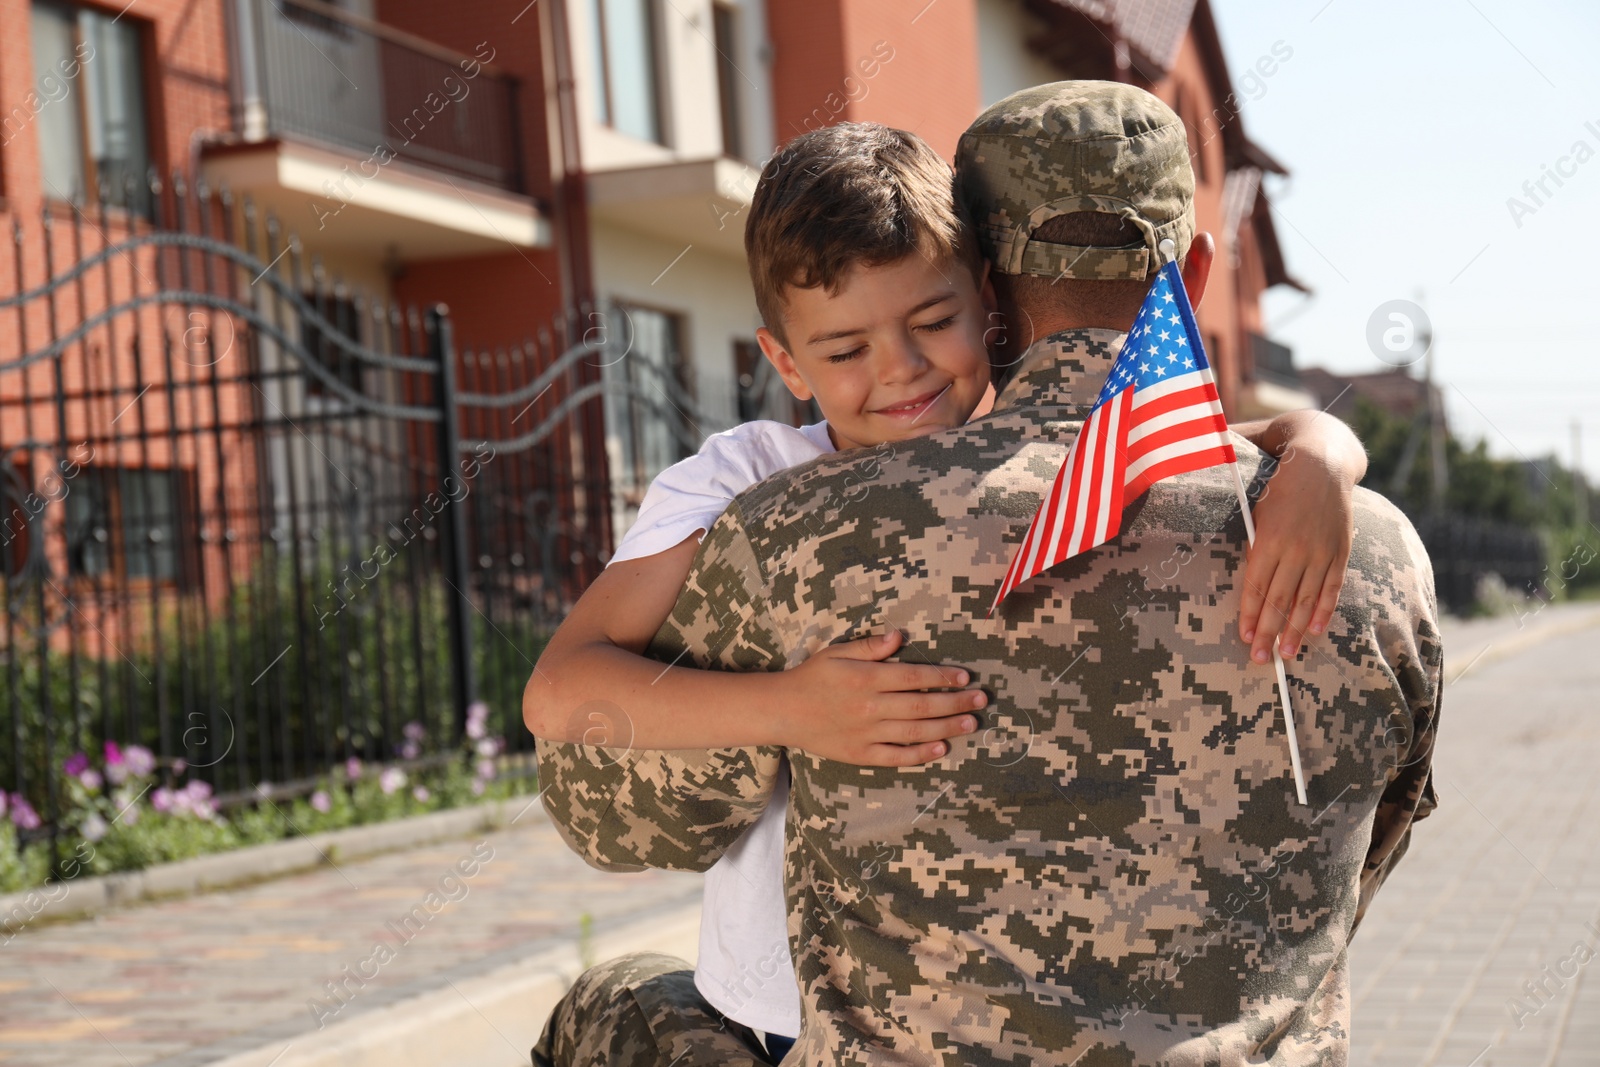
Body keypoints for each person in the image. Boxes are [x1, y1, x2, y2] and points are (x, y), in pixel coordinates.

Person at [531, 90, 1435, 1067]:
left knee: (611, 1005)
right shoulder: (1373, 555)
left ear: (986, 296)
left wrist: (1317, 442)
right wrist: (1318, 450)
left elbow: (614, 817)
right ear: (1198, 273)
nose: (899, 368)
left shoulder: (792, 538)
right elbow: (1362, 858)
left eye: (930, 320)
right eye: (847, 347)